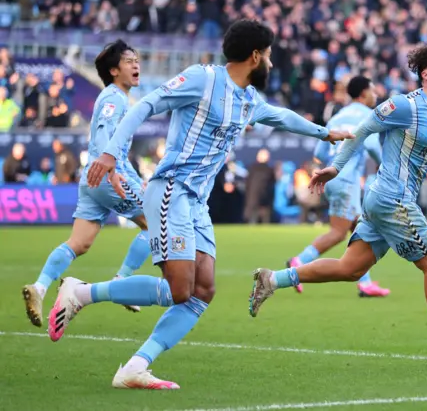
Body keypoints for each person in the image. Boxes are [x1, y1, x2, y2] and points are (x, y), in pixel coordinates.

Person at [47, 19, 353, 389]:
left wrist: (324, 132)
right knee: (179, 290)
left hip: (196, 204)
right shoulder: (202, 79)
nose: (271, 65)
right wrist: (111, 153)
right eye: (269, 57)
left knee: (202, 291)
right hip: (170, 192)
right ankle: (81, 292)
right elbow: (145, 105)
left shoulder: (248, 99)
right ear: (255, 56)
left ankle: (134, 367)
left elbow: (280, 116)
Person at [249, 45, 427, 364]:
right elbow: (361, 132)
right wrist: (336, 166)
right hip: (393, 199)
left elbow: (415, 160)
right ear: (426, 73)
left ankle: (272, 279)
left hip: (385, 199)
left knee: (350, 269)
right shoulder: (403, 105)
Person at [22, 40, 149, 328]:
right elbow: (106, 140)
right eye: (130, 61)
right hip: (105, 175)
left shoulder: (115, 97)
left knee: (79, 243)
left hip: (92, 179)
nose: (136, 65)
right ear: (115, 70)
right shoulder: (114, 98)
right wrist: (114, 173)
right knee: (155, 224)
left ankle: (39, 288)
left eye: (137, 59)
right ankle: (122, 283)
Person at [286, 75, 390, 297]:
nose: (376, 94)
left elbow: (319, 153)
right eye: (372, 90)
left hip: (332, 177)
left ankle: (365, 283)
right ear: (363, 93)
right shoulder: (366, 116)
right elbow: (372, 146)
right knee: (339, 232)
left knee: (359, 229)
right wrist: (389, 168)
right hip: (347, 180)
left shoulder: (337, 117)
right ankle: (299, 262)